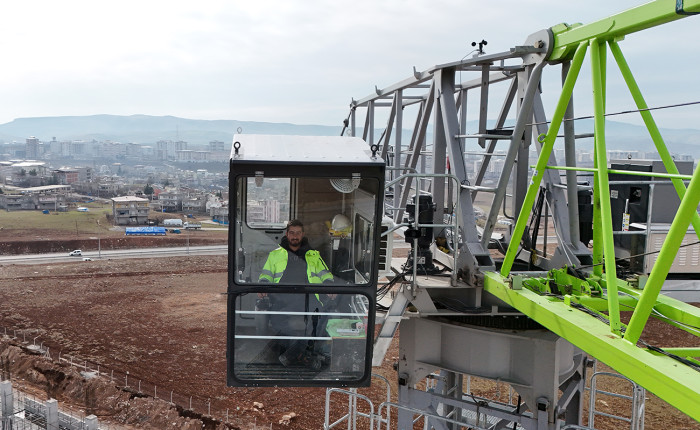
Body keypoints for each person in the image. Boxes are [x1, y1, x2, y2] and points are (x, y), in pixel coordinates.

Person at [257, 219, 335, 369]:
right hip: (282, 300)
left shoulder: (313, 255)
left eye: (298, 233)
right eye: (292, 233)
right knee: (281, 326)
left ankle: (290, 356)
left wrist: (329, 286)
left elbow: (326, 275)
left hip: (310, 300)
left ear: (302, 235)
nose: (295, 236)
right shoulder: (275, 255)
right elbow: (265, 275)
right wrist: (262, 285)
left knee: (319, 324)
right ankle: (298, 355)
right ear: (286, 234)